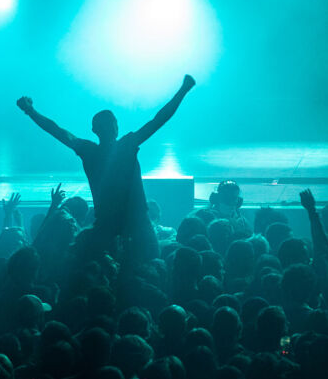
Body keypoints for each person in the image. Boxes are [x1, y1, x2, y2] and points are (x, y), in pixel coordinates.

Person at [16, 75, 196, 264]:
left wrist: (30, 111)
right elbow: (159, 119)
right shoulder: (127, 145)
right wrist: (183, 91)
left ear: (95, 130)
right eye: (113, 123)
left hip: (107, 225)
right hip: (137, 223)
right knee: (149, 267)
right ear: (114, 128)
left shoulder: (89, 151)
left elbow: (57, 131)